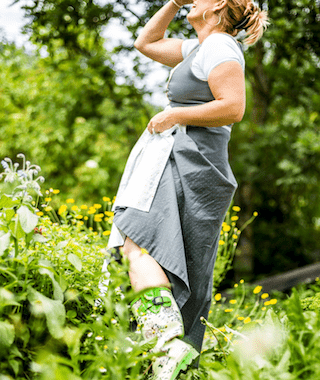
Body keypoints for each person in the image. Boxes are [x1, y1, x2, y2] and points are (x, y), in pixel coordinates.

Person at [106, 0, 268, 378]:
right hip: (185, 156)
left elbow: (234, 107)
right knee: (153, 252)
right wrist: (175, 3)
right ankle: (165, 353)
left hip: (189, 158)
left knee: (140, 242)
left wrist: (174, 114)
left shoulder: (220, 45)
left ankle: (164, 343)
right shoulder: (198, 46)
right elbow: (146, 42)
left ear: (217, 10)